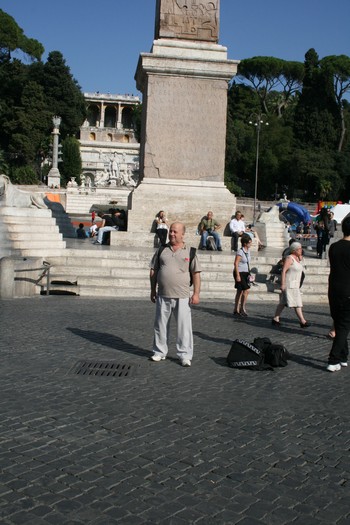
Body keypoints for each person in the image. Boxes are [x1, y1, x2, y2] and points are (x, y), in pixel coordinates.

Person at [149, 222, 201, 367]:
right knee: (160, 325)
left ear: (182, 234)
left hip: (183, 295)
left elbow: (196, 274)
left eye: (175, 232)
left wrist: (196, 293)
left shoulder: (190, 251)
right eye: (170, 231)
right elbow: (153, 270)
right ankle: (159, 351)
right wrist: (153, 290)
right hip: (163, 294)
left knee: (184, 328)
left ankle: (185, 355)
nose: (171, 234)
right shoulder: (161, 249)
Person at [326, 215, 350, 372]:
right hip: (348, 291)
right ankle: (333, 359)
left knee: (340, 321)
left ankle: (343, 356)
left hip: (333, 290)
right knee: (343, 326)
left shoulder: (334, 247)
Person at [272, 241, 310, 328]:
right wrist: (283, 284)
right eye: (299, 249)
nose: (301, 250)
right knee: (297, 303)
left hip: (296, 284)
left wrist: (300, 257)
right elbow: (284, 270)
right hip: (290, 284)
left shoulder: (298, 258)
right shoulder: (289, 258)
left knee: (282, 303)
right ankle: (302, 321)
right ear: (294, 250)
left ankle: (275, 318)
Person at [233, 234, 253, 317]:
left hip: (246, 273)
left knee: (241, 291)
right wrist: (237, 275)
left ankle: (236, 309)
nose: (251, 244)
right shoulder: (240, 251)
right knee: (245, 290)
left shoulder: (248, 251)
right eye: (249, 243)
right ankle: (241, 308)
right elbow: (236, 263)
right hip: (239, 272)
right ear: (245, 243)